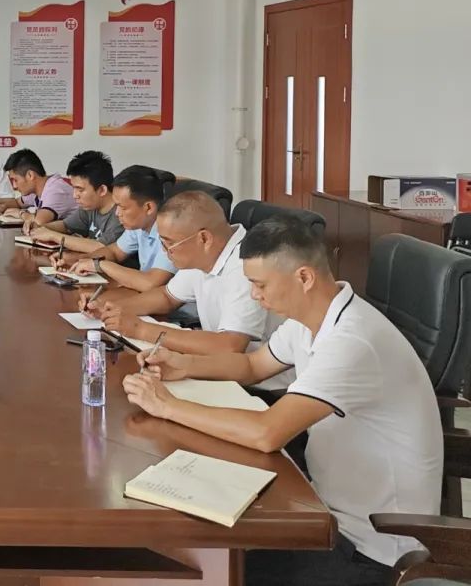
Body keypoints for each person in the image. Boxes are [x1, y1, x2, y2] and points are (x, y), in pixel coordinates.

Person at [123, 217, 443, 586]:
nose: (254, 295)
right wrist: (183, 365)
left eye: (260, 285)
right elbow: (253, 366)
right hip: (323, 509)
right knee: (202, 555)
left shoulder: (352, 341)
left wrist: (166, 406)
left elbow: (267, 432)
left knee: (208, 573)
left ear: (304, 277)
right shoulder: (312, 318)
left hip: (372, 547)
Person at [88, 191, 293, 389]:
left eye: (169, 244)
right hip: (217, 369)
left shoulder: (245, 266)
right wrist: (112, 308)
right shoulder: (206, 253)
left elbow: (230, 346)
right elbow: (167, 296)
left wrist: (141, 329)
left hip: (260, 387)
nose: (164, 252)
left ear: (203, 238)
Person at [60, 165, 175, 293]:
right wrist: (80, 260)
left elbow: (150, 283)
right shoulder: (139, 225)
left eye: (123, 207)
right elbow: (114, 252)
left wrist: (99, 265)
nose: (117, 213)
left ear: (148, 208)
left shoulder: (172, 233)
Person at [25, 150, 124, 254]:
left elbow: (100, 247)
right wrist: (40, 228)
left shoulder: (121, 214)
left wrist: (53, 236)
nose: (75, 195)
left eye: (80, 190)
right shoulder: (90, 207)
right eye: (74, 188)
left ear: (102, 190)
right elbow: (66, 226)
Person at [0, 148, 77, 226]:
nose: (14, 186)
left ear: (30, 175)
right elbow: (17, 203)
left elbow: (39, 222)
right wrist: (2, 207)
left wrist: (21, 213)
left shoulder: (55, 190)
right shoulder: (37, 189)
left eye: (15, 180)